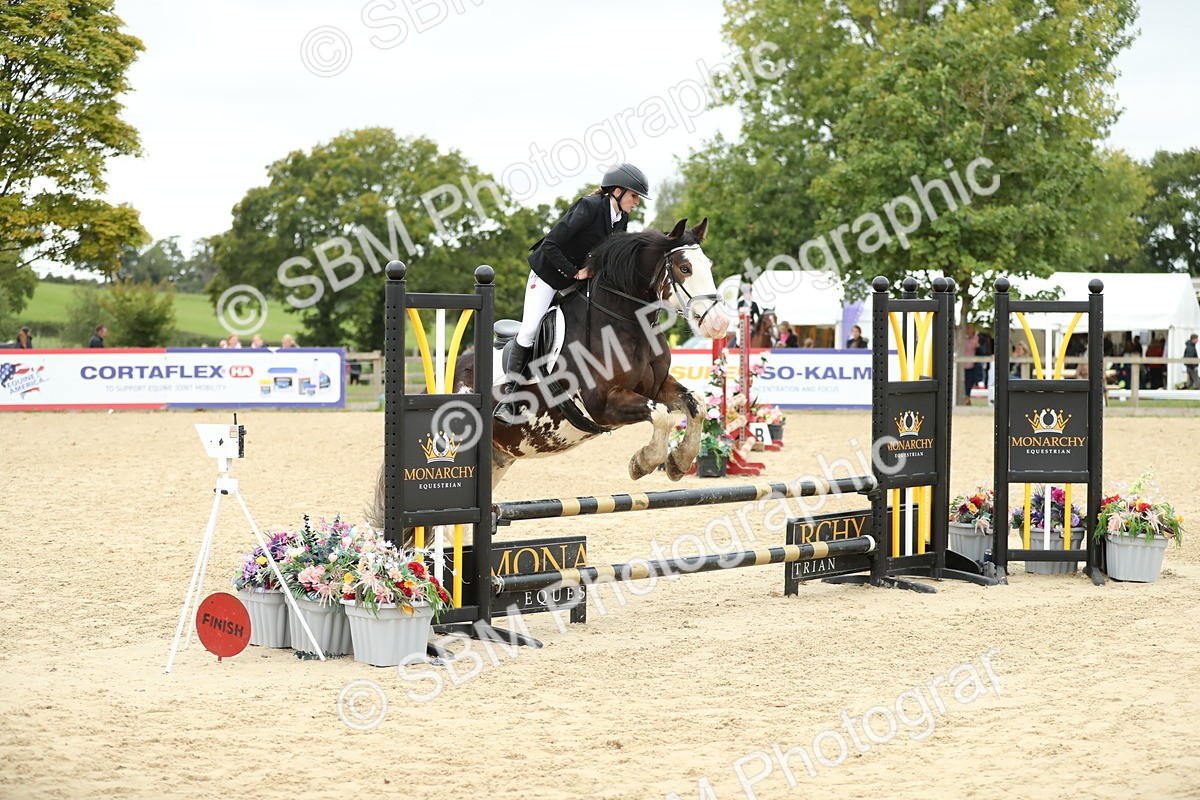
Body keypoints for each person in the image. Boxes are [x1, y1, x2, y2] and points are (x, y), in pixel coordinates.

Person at [494, 163, 650, 424]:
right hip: (548, 274)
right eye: (634, 196)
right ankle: (510, 398)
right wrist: (574, 273)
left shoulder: (621, 217)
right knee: (530, 330)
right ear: (619, 191)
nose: (636, 202)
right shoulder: (589, 207)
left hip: (577, 278)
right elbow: (552, 244)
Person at [962, 325, 980, 403]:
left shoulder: (977, 339)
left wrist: (977, 346)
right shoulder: (962, 339)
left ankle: (968, 398)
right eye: (967, 328)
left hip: (973, 365)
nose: (968, 330)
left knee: (970, 382)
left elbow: (982, 351)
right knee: (963, 382)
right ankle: (966, 398)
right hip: (962, 365)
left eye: (970, 328)